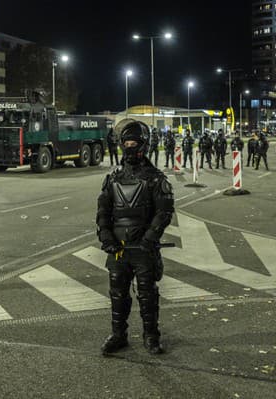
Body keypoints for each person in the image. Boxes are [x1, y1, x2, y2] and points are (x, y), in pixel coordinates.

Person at [96, 119, 174, 356]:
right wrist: (106, 236)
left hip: (143, 249)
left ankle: (151, 336)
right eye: (126, 142)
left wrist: (150, 239)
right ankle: (118, 335)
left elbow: (164, 212)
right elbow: (103, 211)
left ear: (143, 144)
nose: (130, 146)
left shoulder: (155, 178)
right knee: (117, 294)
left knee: (147, 294)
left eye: (134, 142)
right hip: (118, 249)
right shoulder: (113, 177)